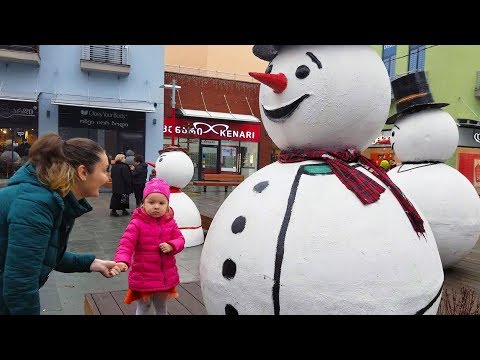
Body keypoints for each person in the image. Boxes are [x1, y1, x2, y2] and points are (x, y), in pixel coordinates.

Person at [0, 132, 122, 315]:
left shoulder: (51, 198)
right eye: (104, 170)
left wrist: (91, 263)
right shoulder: (36, 205)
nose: (107, 177)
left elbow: (44, 253)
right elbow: (20, 285)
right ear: (82, 172)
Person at [112, 177, 185, 315]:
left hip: (163, 276)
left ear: (168, 205)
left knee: (161, 307)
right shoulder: (137, 224)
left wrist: (172, 245)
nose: (156, 206)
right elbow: (126, 244)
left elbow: (180, 239)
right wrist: (122, 260)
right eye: (151, 202)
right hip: (143, 276)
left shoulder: (171, 223)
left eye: (161, 203)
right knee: (143, 307)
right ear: (143, 203)